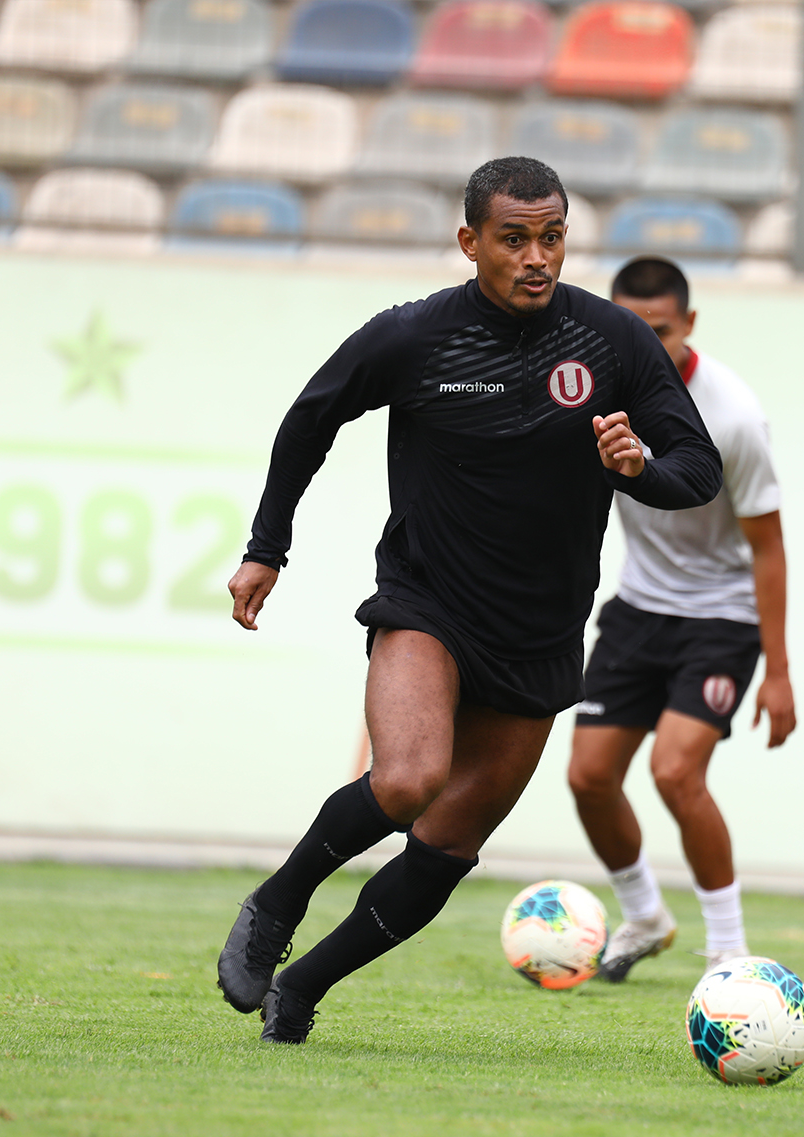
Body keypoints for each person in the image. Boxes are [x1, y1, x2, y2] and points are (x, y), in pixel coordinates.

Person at [216, 159, 723, 1044]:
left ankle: (301, 989)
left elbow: (698, 468)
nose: (537, 257)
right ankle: (276, 901)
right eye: (514, 238)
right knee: (406, 780)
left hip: (539, 632)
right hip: (429, 603)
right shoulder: (413, 336)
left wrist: (638, 466)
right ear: (469, 241)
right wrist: (267, 548)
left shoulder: (611, 340)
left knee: (445, 847)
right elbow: (310, 418)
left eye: (551, 237)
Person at [566, 256, 795, 982]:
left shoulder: (733, 416)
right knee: (588, 777)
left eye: (659, 329)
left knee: (674, 771)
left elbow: (768, 548)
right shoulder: (592, 393)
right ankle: (644, 915)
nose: (645, 342)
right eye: (629, 325)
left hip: (720, 619)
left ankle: (728, 948)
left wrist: (779, 672)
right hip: (638, 608)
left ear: (689, 324)